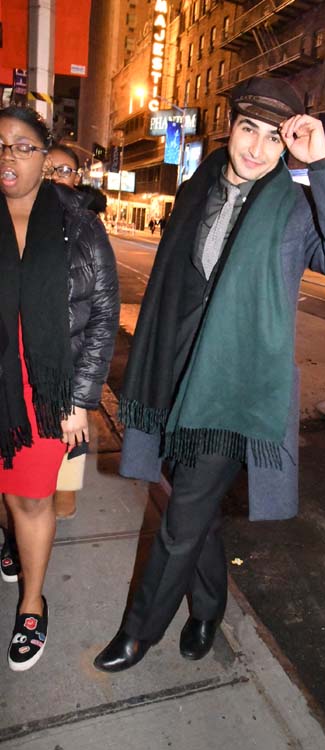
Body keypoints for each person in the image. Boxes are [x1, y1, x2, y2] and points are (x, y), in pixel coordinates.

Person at [94, 76, 325, 673]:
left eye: (276, 138)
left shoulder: (295, 209)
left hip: (232, 391)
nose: (258, 148)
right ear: (230, 127)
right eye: (250, 129)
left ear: (289, 145)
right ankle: (209, 608)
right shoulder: (197, 188)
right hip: (173, 378)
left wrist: (321, 164)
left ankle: (138, 632)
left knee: (184, 514)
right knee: (190, 512)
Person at [0, 104, 119, 671]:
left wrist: (80, 398)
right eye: (0, 144)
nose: (9, 155)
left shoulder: (77, 222)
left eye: (24, 145)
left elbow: (102, 310)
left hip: (44, 386)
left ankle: (31, 600)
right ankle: (11, 545)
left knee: (31, 497)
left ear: (46, 158)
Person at [47, 144, 86, 519]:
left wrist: (85, 395)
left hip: (72, 352)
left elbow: (104, 308)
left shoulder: (87, 225)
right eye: (51, 169)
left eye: (66, 170)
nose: (58, 177)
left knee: (64, 496)